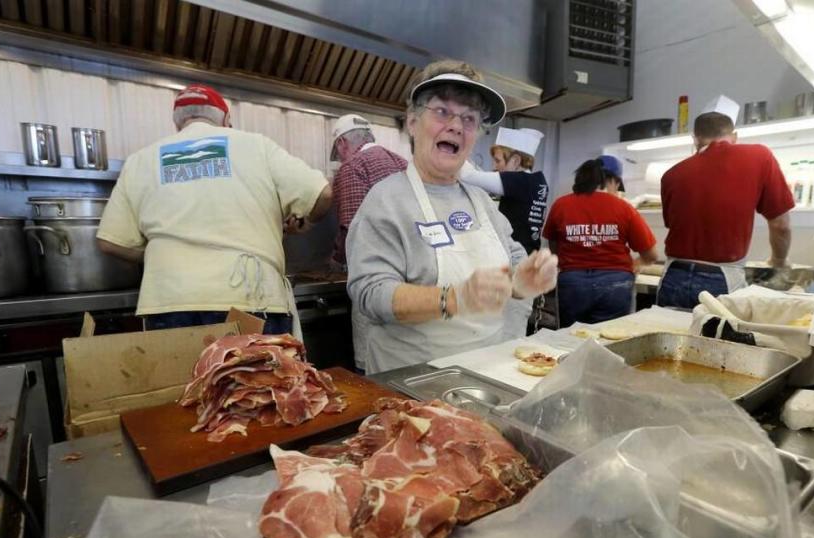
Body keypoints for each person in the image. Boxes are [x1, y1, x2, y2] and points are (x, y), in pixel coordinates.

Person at [346, 60, 558, 374]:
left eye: (470, 118)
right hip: (412, 382)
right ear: (413, 122)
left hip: (486, 376)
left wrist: (523, 280)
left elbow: (512, 261)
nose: (457, 125)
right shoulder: (386, 200)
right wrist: (453, 298)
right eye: (442, 111)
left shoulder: (481, 201)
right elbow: (370, 294)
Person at [96, 83, 332, 337]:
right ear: (226, 120)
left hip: (169, 300)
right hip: (249, 297)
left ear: (178, 124)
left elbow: (110, 242)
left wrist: (163, 253)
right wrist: (307, 223)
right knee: (258, 377)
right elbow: (323, 193)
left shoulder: (140, 160)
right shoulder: (256, 145)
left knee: (183, 378)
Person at [657, 94, 794, 309]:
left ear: (694, 139)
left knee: (669, 339)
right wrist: (779, 261)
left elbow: (678, 225)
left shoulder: (671, 175)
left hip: (673, 277)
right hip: (721, 278)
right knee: (716, 342)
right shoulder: (759, 156)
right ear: (735, 136)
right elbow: (781, 225)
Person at [328, 113, 408, 372]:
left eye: (338, 152)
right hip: (415, 284)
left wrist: (335, 260)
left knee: (371, 365)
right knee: (405, 364)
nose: (340, 158)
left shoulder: (352, 167)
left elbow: (351, 228)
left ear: (342, 144)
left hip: (377, 281)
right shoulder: (403, 164)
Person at [543, 157, 658, 326]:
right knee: (611, 341)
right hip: (615, 284)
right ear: (611, 181)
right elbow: (651, 254)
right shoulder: (623, 207)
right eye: (618, 185)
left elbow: (554, 246)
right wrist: (636, 263)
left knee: (569, 341)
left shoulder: (561, 205)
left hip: (573, 284)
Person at [460, 127, 549, 337]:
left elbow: (468, 176)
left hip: (518, 270)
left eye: (498, 161)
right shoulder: (537, 182)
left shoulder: (520, 181)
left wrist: (457, 146)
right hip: (523, 268)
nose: (494, 167)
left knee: (508, 335)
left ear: (516, 161)